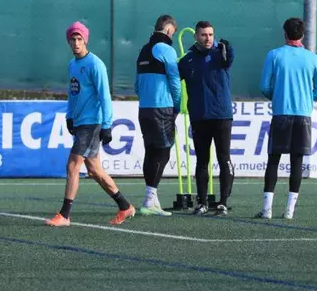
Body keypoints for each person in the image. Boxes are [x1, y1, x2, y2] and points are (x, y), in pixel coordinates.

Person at [47, 22, 136, 227]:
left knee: (72, 165)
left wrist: (107, 125)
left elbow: (105, 95)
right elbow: (73, 92)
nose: (76, 43)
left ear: (85, 40)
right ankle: (125, 206)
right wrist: (70, 116)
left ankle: (64, 215)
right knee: (94, 169)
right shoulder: (72, 64)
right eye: (73, 39)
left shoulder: (95, 64)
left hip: (92, 123)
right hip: (80, 123)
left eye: (80, 39)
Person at [256, 17, 317, 220]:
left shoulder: (274, 55)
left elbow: (264, 86)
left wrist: (278, 96)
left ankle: (267, 209)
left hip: (281, 113)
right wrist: (305, 98)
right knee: (297, 161)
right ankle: (289, 211)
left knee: (273, 160)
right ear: (302, 35)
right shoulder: (312, 58)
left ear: (285, 33)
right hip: (303, 115)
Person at [177, 21, 235, 216]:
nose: (208, 38)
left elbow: (230, 58)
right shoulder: (187, 60)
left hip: (221, 116)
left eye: (210, 34)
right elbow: (173, 79)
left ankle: (223, 203)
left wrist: (228, 48)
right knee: (202, 161)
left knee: (224, 158)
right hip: (199, 117)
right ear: (196, 37)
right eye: (203, 35)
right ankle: (202, 203)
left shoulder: (221, 54)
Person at [135, 14, 182, 216]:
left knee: (151, 151)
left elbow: (136, 85)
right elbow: (174, 81)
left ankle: (151, 199)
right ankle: (149, 200)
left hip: (144, 108)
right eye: (173, 33)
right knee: (163, 152)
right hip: (162, 108)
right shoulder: (166, 49)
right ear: (169, 30)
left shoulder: (143, 50)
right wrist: (177, 106)